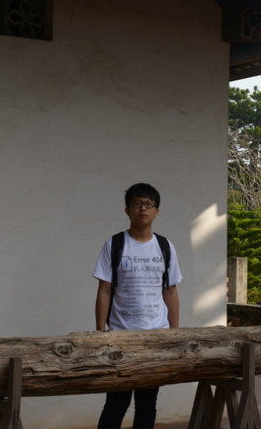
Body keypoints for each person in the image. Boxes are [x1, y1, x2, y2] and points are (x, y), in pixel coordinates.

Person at [93, 183, 182, 429]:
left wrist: (174, 333)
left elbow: (171, 290)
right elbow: (104, 289)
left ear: (156, 211)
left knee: (147, 403)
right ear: (127, 210)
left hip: (156, 336)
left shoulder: (165, 247)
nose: (142, 208)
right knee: (116, 402)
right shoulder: (115, 244)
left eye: (148, 204)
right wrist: (101, 333)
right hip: (121, 335)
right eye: (137, 203)